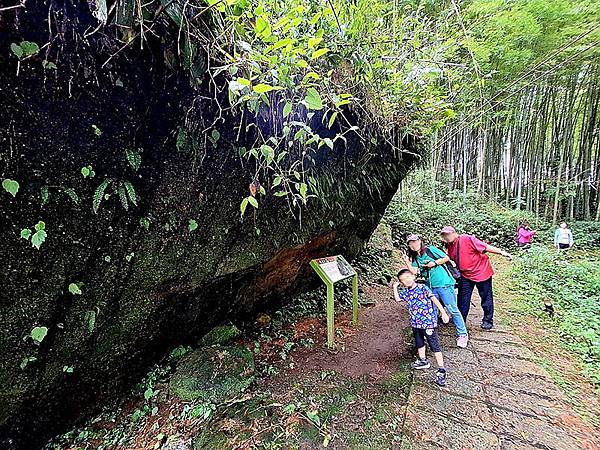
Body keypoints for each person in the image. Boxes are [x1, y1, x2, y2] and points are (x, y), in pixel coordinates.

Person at [402, 234, 469, 348]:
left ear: (420, 241)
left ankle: (462, 334)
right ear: (409, 245)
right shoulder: (416, 258)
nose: (414, 244)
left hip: (444, 284)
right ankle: (431, 335)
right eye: (411, 243)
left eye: (415, 241)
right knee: (432, 311)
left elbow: (446, 258)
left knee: (452, 309)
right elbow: (414, 271)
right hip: (430, 287)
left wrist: (434, 263)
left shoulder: (430, 249)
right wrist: (406, 261)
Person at [440, 226, 512, 330]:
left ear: (454, 233)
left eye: (448, 234)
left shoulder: (466, 239)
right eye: (444, 235)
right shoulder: (450, 246)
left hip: (481, 272)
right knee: (463, 298)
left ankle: (488, 320)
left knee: (486, 297)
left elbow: (485, 247)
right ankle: (460, 319)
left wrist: (502, 252)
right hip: (465, 275)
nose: (446, 236)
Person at [393, 268, 450, 386]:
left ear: (413, 276)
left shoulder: (423, 288)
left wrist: (443, 312)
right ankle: (423, 360)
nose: (406, 281)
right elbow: (398, 299)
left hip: (428, 323)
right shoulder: (406, 292)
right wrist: (395, 287)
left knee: (435, 345)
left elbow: (434, 299)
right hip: (415, 323)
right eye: (403, 280)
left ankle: (441, 369)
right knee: (419, 342)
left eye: (408, 277)